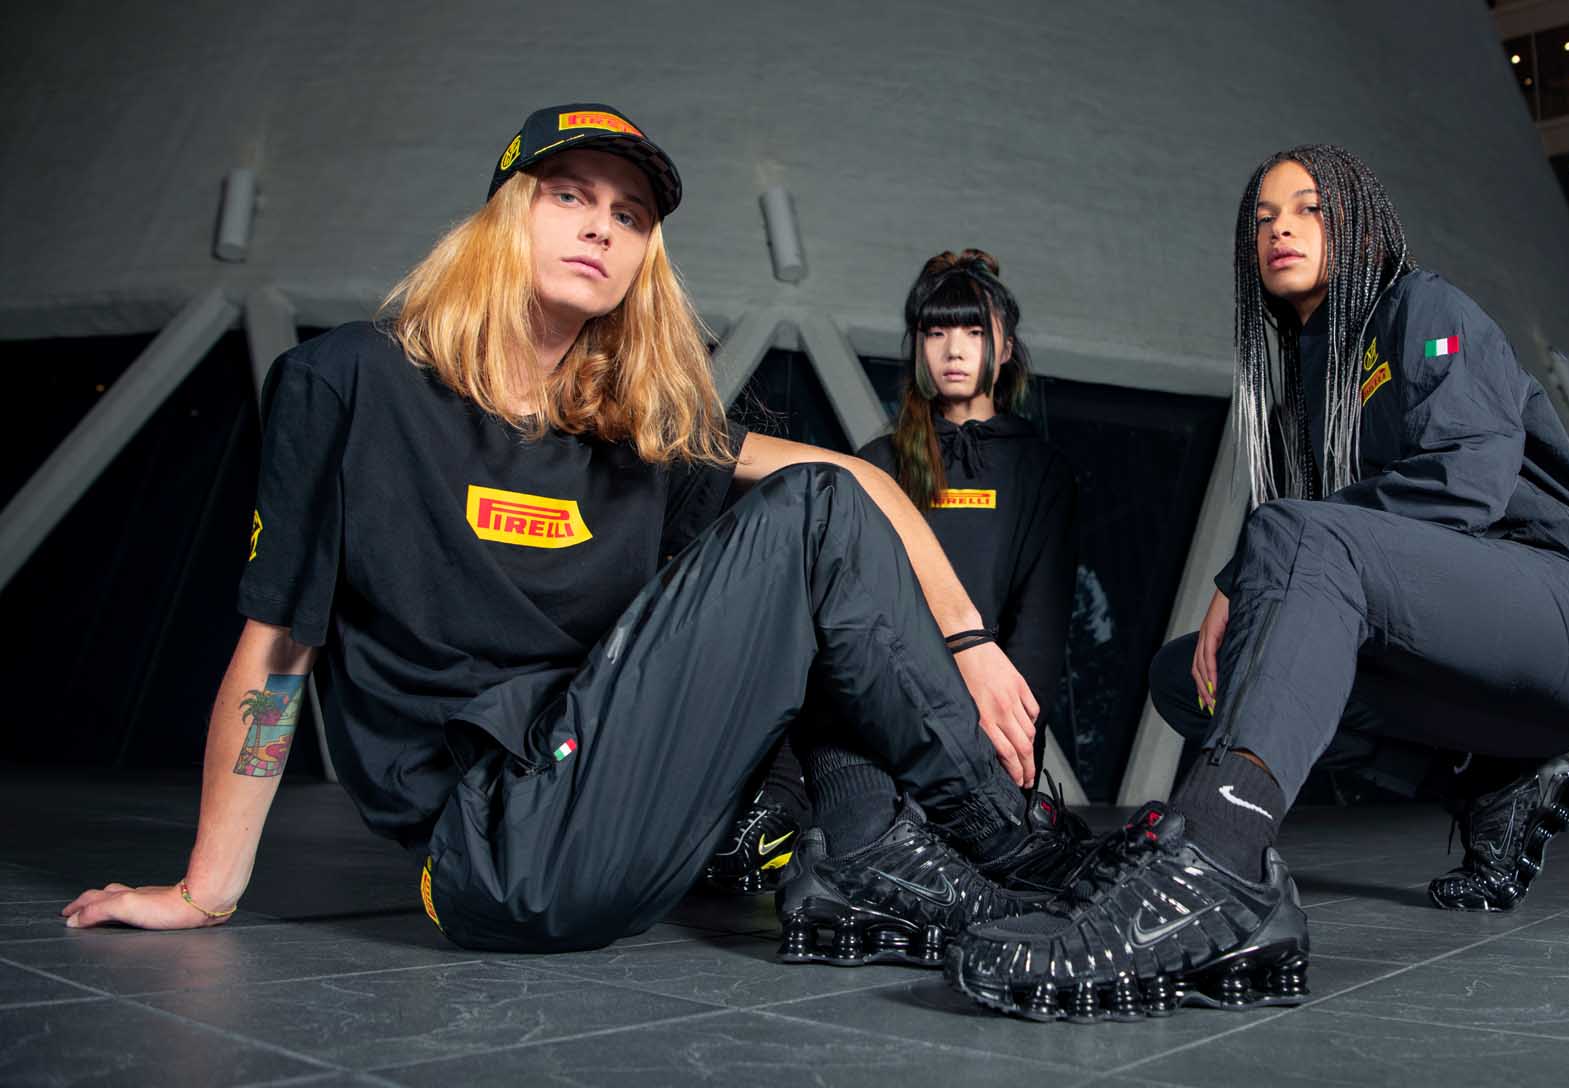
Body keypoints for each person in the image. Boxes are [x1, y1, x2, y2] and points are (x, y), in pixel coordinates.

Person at [59, 103, 1075, 956]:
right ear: (505, 215)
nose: (601, 230)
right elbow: (279, 650)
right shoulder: (351, 381)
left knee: (817, 528)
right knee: (810, 517)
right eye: (569, 197)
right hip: (495, 848)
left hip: (615, 808)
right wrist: (206, 890)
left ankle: (920, 848)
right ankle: (1013, 847)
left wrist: (968, 638)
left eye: (629, 216)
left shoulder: (632, 427)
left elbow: (860, 480)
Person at [948, 144, 1569, 1021]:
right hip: (1479, 657)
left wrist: (1266, 551)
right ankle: (1489, 781)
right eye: (1262, 219)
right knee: (1192, 677)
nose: (1280, 228)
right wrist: (1254, 571)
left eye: (1309, 208)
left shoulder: (1423, 307)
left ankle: (1215, 862)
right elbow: (1331, 552)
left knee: (1289, 538)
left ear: (1362, 224)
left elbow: (1466, 479)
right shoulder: (1306, 376)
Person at [748, 252, 1087, 965]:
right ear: (917, 347)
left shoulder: (1042, 469)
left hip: (973, 719)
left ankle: (898, 844)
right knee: (850, 752)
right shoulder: (877, 461)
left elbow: (1039, 630)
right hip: (868, 700)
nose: (954, 349)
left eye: (973, 331)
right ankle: (863, 842)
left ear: (1006, 347)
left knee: (954, 817)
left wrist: (1009, 759)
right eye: (936, 333)